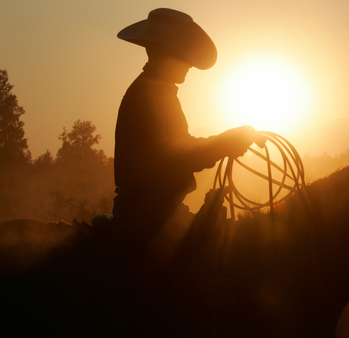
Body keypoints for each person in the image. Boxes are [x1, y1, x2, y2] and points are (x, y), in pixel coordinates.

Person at [112, 8, 263, 243]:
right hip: (148, 218)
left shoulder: (152, 90)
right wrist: (230, 141)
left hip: (151, 212)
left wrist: (230, 141)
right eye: (184, 57)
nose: (189, 65)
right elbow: (181, 154)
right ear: (163, 55)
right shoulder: (151, 94)